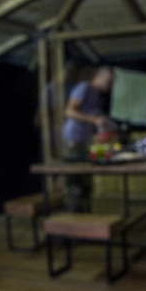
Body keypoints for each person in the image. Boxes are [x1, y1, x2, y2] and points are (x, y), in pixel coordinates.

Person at [62, 66, 115, 211]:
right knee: (75, 181)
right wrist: (94, 120)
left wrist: (101, 133)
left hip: (86, 141)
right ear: (98, 76)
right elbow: (69, 111)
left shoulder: (97, 96)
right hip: (73, 140)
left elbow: (94, 121)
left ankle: (86, 216)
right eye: (109, 81)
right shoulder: (83, 87)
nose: (111, 85)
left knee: (87, 180)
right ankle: (73, 219)